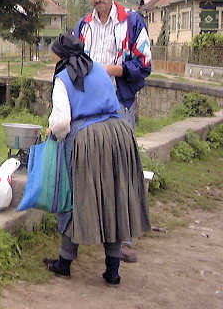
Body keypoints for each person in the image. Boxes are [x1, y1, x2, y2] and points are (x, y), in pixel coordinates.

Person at [43, 33, 151, 285]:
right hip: (119, 133)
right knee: (115, 197)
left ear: (60, 55)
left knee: (75, 197)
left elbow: (61, 122)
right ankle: (113, 270)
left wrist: (52, 133)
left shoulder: (62, 78)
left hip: (89, 139)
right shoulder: (100, 70)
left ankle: (64, 262)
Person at [73, 0, 152, 262]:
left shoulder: (131, 23)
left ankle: (125, 239)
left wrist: (111, 70)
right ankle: (90, 229)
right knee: (87, 166)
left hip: (119, 103)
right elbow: (71, 60)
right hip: (88, 107)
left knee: (123, 168)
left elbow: (144, 63)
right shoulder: (83, 26)